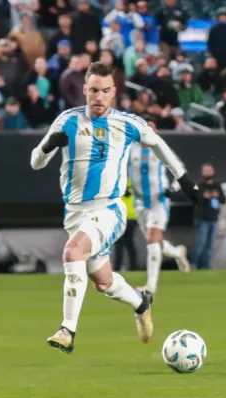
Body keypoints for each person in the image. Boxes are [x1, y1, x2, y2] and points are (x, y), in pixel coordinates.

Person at [30, 62, 201, 354]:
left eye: (105, 90)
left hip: (109, 209)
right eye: (94, 90)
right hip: (74, 213)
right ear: (85, 90)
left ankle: (67, 329)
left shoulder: (127, 123)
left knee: (72, 252)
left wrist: (185, 179)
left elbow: (160, 145)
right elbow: (35, 162)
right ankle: (141, 302)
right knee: (103, 282)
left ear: (114, 92)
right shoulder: (67, 121)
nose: (99, 96)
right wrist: (48, 145)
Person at [128, 118, 191, 294]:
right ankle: (178, 252)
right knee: (155, 243)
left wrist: (173, 188)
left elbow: (180, 169)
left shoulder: (161, 148)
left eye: (151, 128)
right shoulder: (129, 150)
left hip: (159, 200)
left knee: (152, 239)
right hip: (139, 202)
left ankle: (150, 286)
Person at [192, 162, 226, 269]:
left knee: (210, 245)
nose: (208, 173)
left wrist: (217, 196)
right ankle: (194, 264)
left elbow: (223, 200)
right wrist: (203, 197)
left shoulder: (217, 185)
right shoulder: (199, 185)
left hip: (214, 218)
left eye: (209, 171)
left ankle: (206, 266)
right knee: (201, 243)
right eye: (205, 171)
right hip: (203, 218)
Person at [113, 178, 139, 271]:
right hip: (131, 216)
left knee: (121, 243)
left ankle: (118, 268)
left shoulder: (117, 182)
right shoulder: (133, 182)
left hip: (124, 216)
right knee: (129, 243)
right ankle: (134, 267)